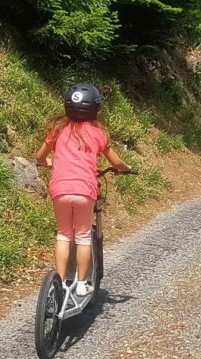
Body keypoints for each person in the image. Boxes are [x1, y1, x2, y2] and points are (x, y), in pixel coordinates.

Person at [35, 83, 130, 297]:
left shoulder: (57, 130)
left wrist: (48, 163)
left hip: (60, 189)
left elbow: (39, 157)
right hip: (84, 191)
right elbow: (115, 161)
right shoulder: (98, 133)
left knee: (63, 234)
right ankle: (80, 283)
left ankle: (58, 284)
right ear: (96, 108)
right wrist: (126, 169)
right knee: (83, 236)